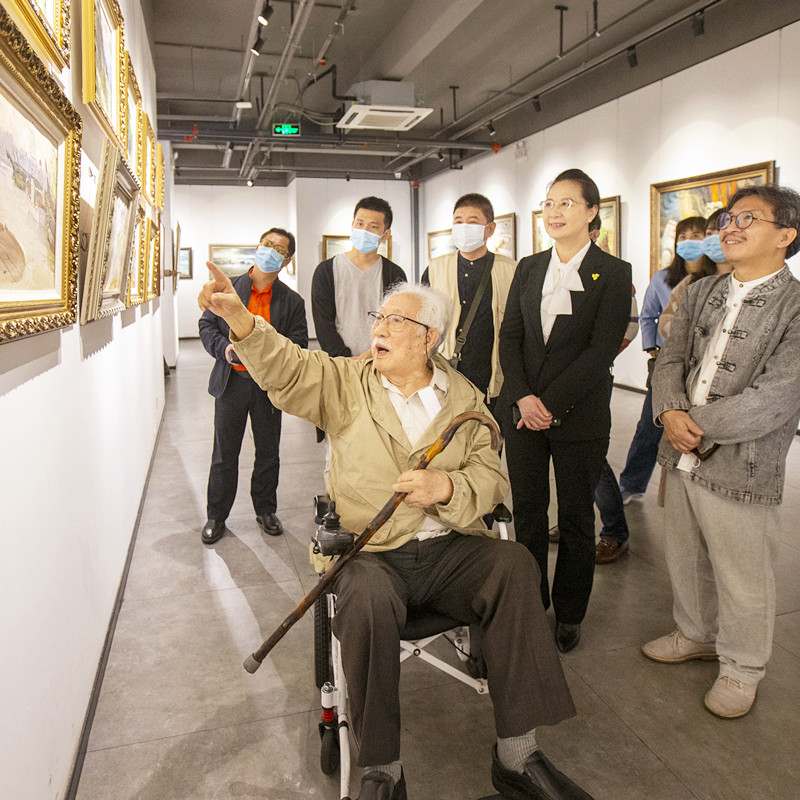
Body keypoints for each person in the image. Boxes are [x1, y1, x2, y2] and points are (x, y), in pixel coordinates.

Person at [198, 271, 594, 800]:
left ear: (429, 337)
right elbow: (288, 367)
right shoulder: (345, 382)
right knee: (365, 596)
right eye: (378, 318)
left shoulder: (464, 398)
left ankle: (518, 757)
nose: (378, 329)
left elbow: (492, 477)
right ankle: (383, 769)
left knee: (516, 565)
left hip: (448, 551)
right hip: (373, 554)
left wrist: (447, 487)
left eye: (395, 321)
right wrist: (241, 320)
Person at [642, 184, 800, 720]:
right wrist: (669, 411)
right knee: (684, 555)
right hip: (680, 451)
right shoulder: (702, 290)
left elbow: (776, 397)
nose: (730, 227)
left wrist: (692, 424)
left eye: (747, 218)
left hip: (742, 463)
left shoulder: (795, 305)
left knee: (743, 573)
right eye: (728, 218)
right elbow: (670, 358)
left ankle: (742, 667)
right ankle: (695, 633)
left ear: (785, 235)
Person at [498, 168, 632, 654]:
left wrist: (549, 404)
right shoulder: (529, 267)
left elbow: (601, 352)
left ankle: (570, 612)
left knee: (576, 518)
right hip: (523, 414)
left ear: (593, 211)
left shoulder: (613, 273)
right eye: (549, 203)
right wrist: (522, 397)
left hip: (580, 416)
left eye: (566, 203)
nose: (554, 212)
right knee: (529, 513)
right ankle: (531, 602)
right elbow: (510, 337)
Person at [198, 228, 307, 545]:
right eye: (267, 244)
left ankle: (266, 510)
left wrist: (273, 358)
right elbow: (207, 326)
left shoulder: (292, 301)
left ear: (287, 260)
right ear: (258, 247)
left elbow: (298, 343)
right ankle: (216, 516)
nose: (270, 251)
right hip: (231, 383)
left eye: (279, 249)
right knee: (224, 453)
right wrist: (225, 350)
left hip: (267, 387)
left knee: (268, 453)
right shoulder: (228, 288)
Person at [617, 216, 707, 504]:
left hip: (703, 366)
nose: (689, 241)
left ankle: (692, 493)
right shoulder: (662, 278)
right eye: (683, 236)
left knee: (699, 430)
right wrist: (652, 348)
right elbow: (649, 316)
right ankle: (632, 483)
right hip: (667, 363)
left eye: (697, 235)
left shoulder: (712, 277)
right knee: (650, 426)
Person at [421, 192, 517, 408]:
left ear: (490, 229)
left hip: (492, 377)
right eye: (458, 221)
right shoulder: (435, 268)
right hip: (445, 372)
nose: (464, 227)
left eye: (472, 222)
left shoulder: (510, 270)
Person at [311, 196, 406, 359]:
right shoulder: (326, 271)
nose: (364, 230)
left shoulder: (394, 274)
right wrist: (346, 359)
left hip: (381, 360)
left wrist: (370, 355)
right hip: (339, 363)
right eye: (360, 224)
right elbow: (323, 323)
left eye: (373, 226)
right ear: (352, 225)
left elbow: (396, 322)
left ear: (386, 234)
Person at [658, 209, 732, 340]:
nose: (714, 238)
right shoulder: (692, 281)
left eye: (720, 231)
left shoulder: (748, 281)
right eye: (709, 233)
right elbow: (666, 320)